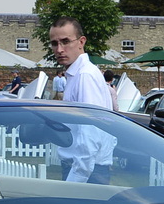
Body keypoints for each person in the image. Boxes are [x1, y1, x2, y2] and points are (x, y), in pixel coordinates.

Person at [47, 17, 117, 183]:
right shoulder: (77, 74)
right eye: (54, 43)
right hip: (87, 167)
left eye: (65, 41)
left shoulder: (84, 75)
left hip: (87, 171)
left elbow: (90, 133)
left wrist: (75, 180)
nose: (59, 49)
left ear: (81, 42)